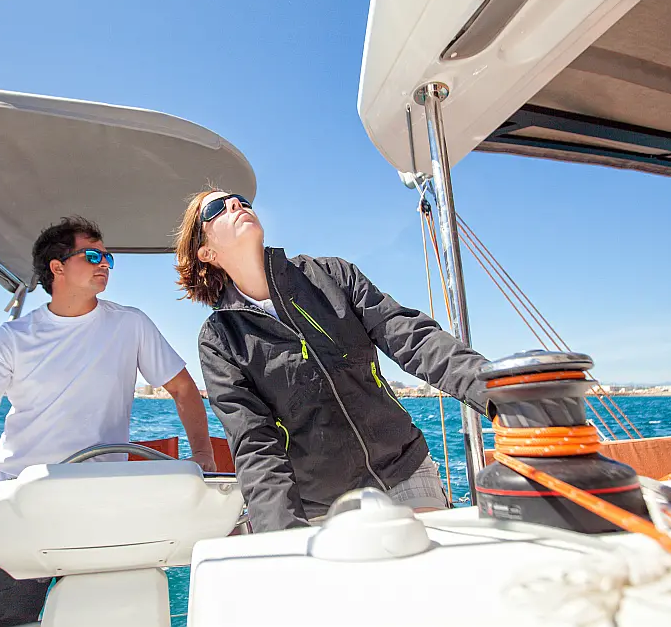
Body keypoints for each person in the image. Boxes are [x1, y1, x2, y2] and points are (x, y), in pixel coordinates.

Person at [0, 216, 216, 627]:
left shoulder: (130, 324)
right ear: (57, 267)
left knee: (109, 613)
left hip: (101, 496)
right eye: (92, 255)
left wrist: (203, 456)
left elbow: (184, 389)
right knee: (1, 617)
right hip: (22, 496)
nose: (105, 264)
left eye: (108, 257)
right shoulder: (11, 339)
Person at [174, 190, 493, 533]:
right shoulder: (221, 339)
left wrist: (498, 394)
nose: (236, 204)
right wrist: (282, 536)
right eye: (217, 208)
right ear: (206, 252)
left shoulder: (330, 275)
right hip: (320, 506)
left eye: (239, 199)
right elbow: (255, 444)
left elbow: (414, 339)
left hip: (402, 470)